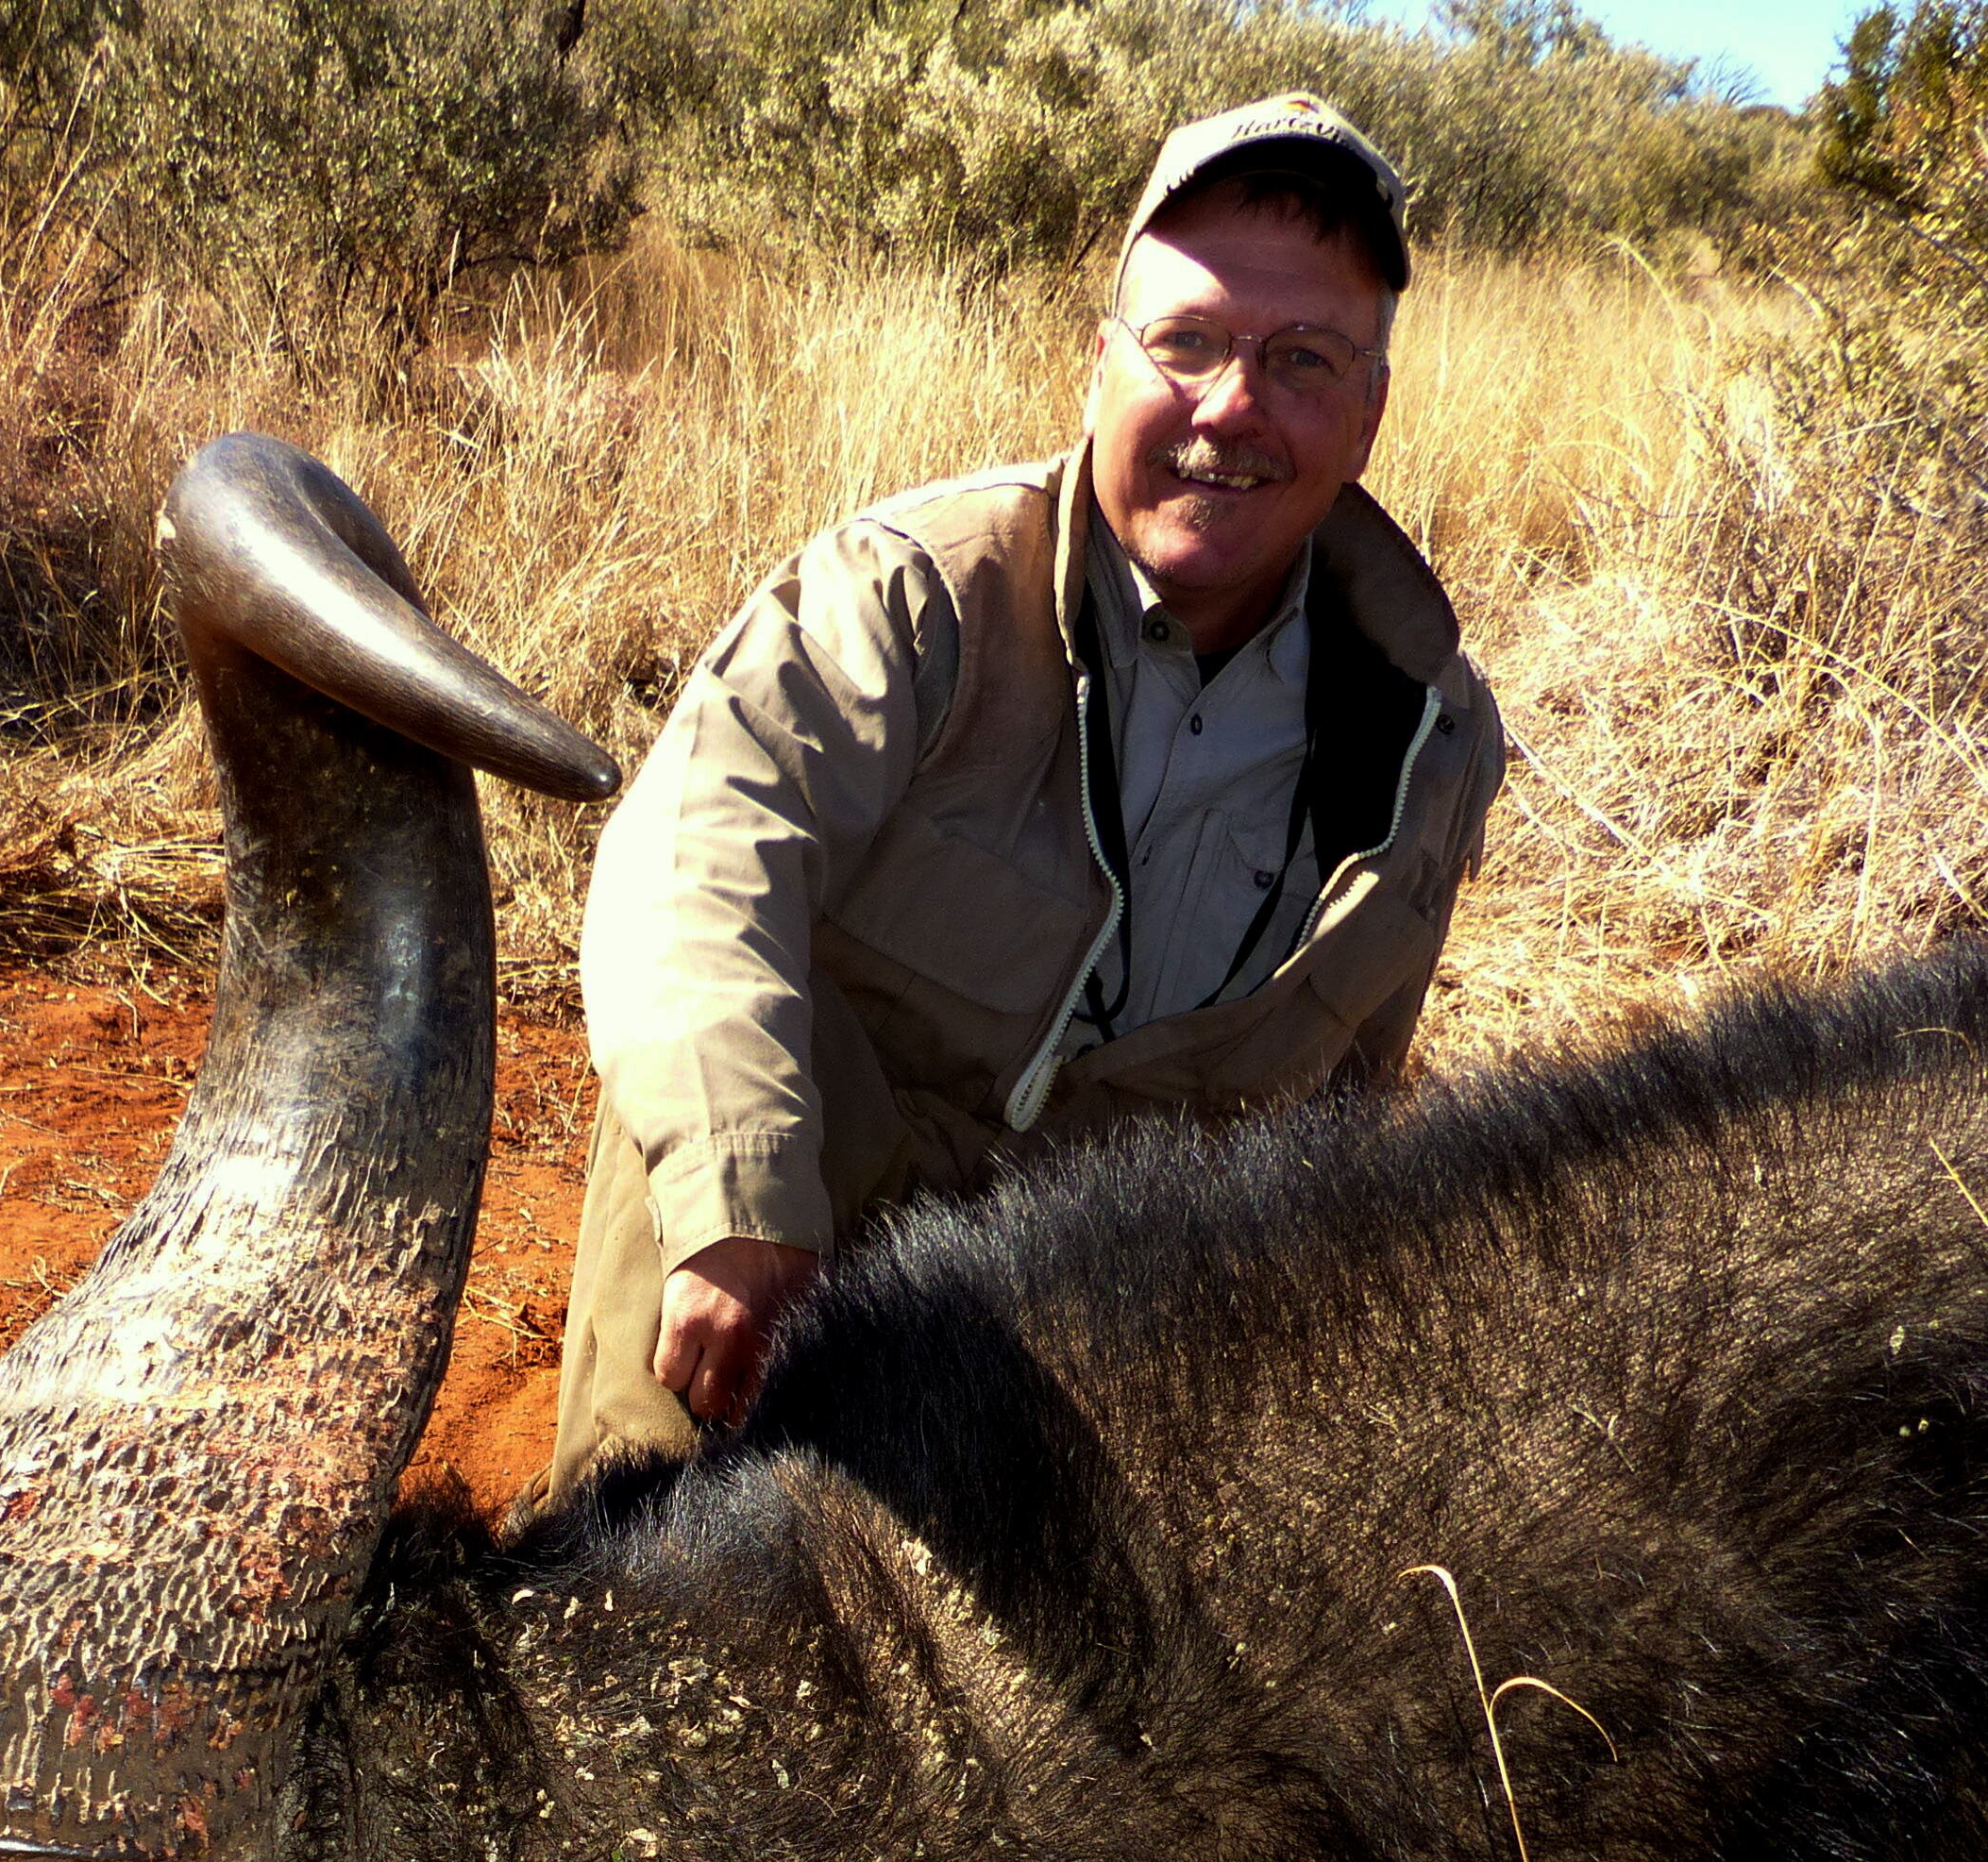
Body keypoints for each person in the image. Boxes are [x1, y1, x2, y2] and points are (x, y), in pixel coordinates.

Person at [548, 92, 1507, 1499]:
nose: (1232, 408)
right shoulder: (908, 592)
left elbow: (1341, 1114)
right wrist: (740, 1202)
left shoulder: (1428, 739)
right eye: (1187, 343)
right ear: (1099, 364)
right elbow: (695, 864)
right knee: (628, 1647)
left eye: (1302, 359)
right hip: (781, 1230)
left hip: (1078, 1331)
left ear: (1368, 413)